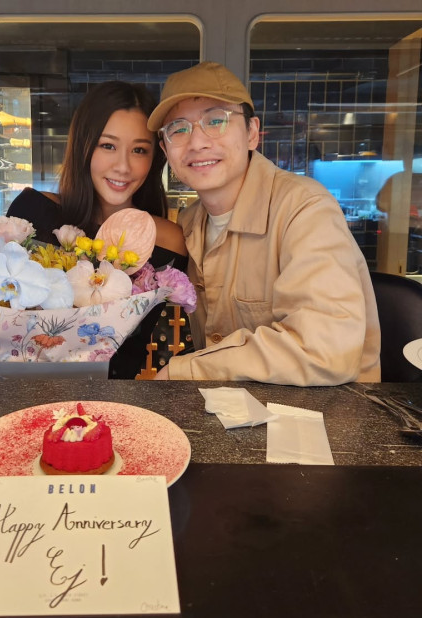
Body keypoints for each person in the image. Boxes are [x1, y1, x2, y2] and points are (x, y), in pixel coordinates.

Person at [147, 61, 380, 385]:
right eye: (178, 129)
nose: (197, 142)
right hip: (230, 407)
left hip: (327, 410)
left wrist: (187, 370)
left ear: (252, 133)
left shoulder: (304, 209)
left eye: (216, 120)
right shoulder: (190, 222)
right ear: (165, 149)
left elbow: (325, 349)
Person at [7, 81, 187, 378]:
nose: (123, 166)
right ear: (84, 146)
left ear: (154, 158)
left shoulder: (168, 240)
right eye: (108, 146)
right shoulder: (35, 213)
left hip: (119, 394)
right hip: (30, 387)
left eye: (139, 150)